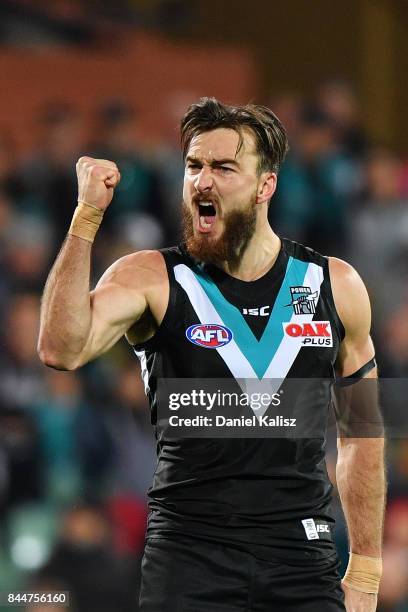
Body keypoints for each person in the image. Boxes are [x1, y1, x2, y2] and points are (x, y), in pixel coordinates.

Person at [38, 97, 385, 612]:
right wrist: (86, 216)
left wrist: (366, 568)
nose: (202, 181)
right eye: (194, 166)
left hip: (301, 557)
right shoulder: (152, 276)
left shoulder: (334, 284)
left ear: (265, 185)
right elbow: (59, 349)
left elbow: (363, 431)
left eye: (223, 167)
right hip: (188, 555)